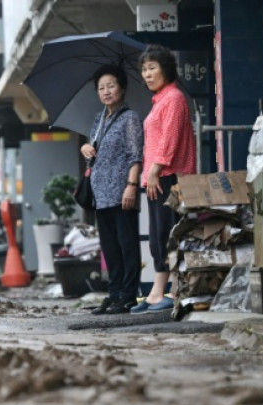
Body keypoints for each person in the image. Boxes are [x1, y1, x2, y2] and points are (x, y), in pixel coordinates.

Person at [131, 44, 196, 314]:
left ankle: (173, 291)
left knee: (170, 235)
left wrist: (155, 170)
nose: (147, 74)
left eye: (152, 68)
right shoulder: (160, 100)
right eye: (144, 70)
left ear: (166, 69)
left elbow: (169, 140)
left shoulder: (174, 98)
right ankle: (157, 293)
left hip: (168, 177)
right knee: (159, 238)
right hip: (156, 177)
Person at [80, 64, 144, 315]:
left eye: (111, 86)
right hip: (100, 194)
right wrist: (85, 148)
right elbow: (96, 154)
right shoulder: (99, 119)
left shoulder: (130, 118)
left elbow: (135, 155)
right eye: (101, 88)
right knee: (110, 248)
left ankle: (127, 296)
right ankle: (114, 293)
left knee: (127, 245)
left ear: (122, 88)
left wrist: (131, 185)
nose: (106, 91)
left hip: (121, 192)